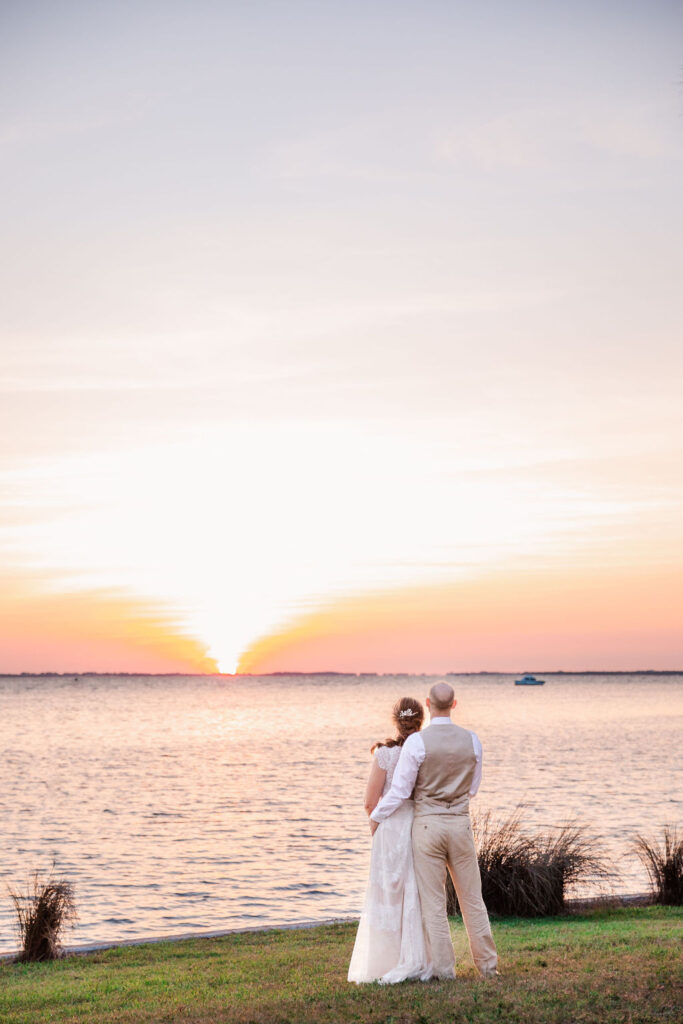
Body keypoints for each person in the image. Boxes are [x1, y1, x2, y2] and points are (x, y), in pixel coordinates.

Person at [369, 681, 498, 981]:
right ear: (454, 704)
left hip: (427, 826)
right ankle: (488, 967)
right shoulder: (473, 740)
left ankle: (444, 971)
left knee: (434, 903)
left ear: (428, 704)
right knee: (472, 900)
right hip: (460, 824)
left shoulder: (417, 743)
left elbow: (400, 791)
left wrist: (376, 816)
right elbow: (474, 789)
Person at [347, 696, 433, 984]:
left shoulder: (384, 754)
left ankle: (383, 961)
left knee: (386, 894)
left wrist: (377, 827)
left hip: (389, 826)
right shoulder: (428, 750)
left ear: (396, 721)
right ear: (421, 720)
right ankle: (418, 958)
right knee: (415, 893)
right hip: (419, 824)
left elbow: (370, 802)